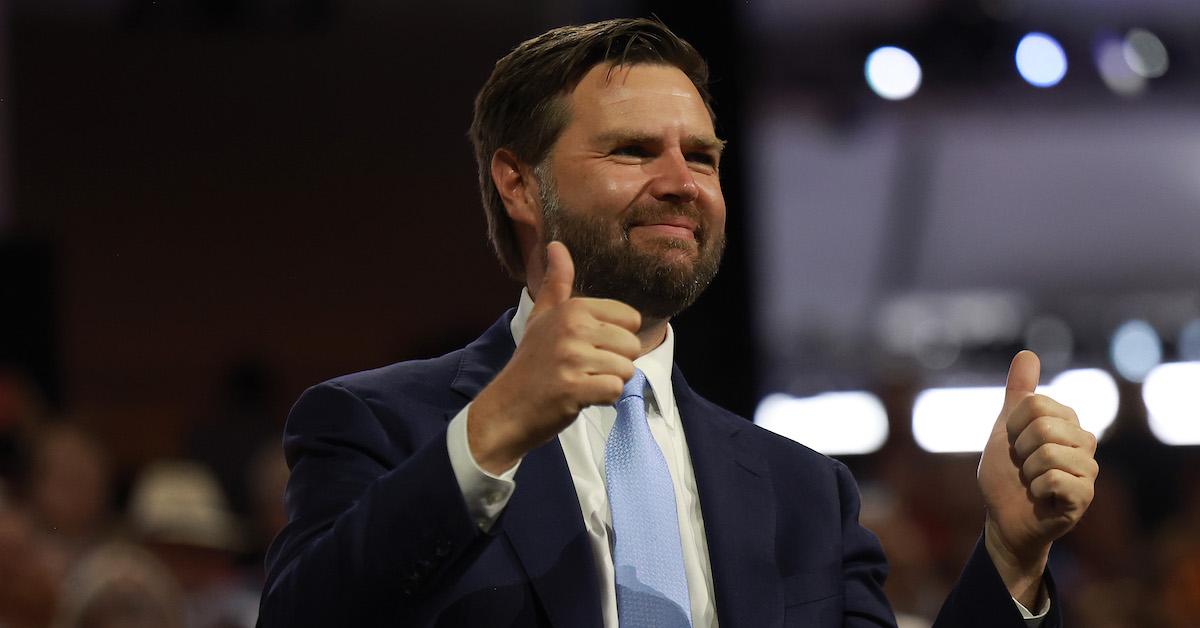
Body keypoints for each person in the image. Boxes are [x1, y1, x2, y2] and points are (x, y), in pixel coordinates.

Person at [257, 18, 1098, 628]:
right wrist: (494, 430)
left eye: (701, 156)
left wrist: (1014, 563)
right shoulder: (380, 427)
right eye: (632, 151)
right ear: (517, 184)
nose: (681, 181)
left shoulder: (805, 492)